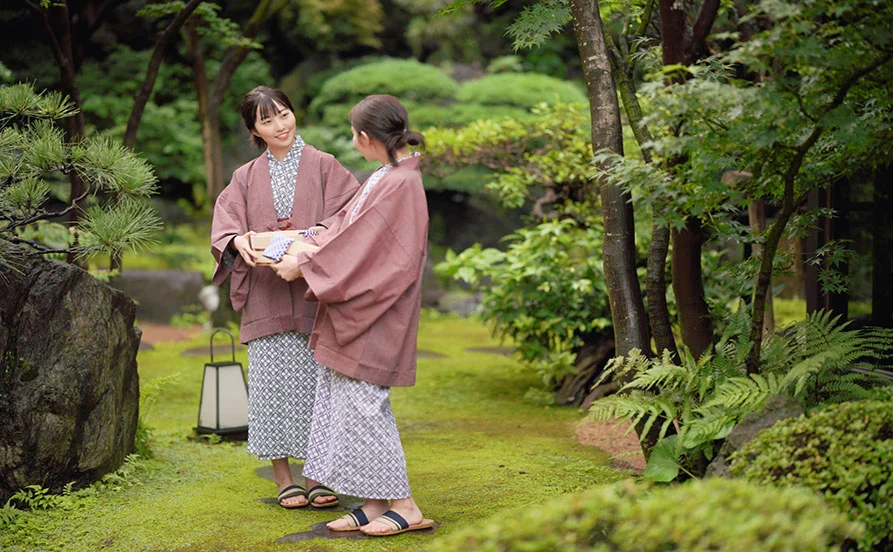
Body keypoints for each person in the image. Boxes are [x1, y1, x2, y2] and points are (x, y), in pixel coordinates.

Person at [270, 94, 434, 536]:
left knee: (365, 407)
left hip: (375, 309)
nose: (352, 141)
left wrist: (304, 263)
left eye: (353, 134)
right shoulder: (390, 174)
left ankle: (406, 504)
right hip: (362, 308)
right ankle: (374, 501)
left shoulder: (401, 183)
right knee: (342, 402)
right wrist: (306, 244)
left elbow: (371, 252)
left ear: (366, 137)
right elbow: (347, 225)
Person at [211, 85, 359, 509]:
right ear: (254, 130)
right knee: (271, 384)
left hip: (315, 292)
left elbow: (348, 216)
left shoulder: (325, 165)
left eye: (283, 114)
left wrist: (309, 239)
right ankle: (282, 477)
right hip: (267, 293)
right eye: (267, 120)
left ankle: (316, 475)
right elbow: (226, 229)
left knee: (320, 387)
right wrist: (240, 241)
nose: (280, 126)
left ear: (294, 112)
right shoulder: (244, 176)